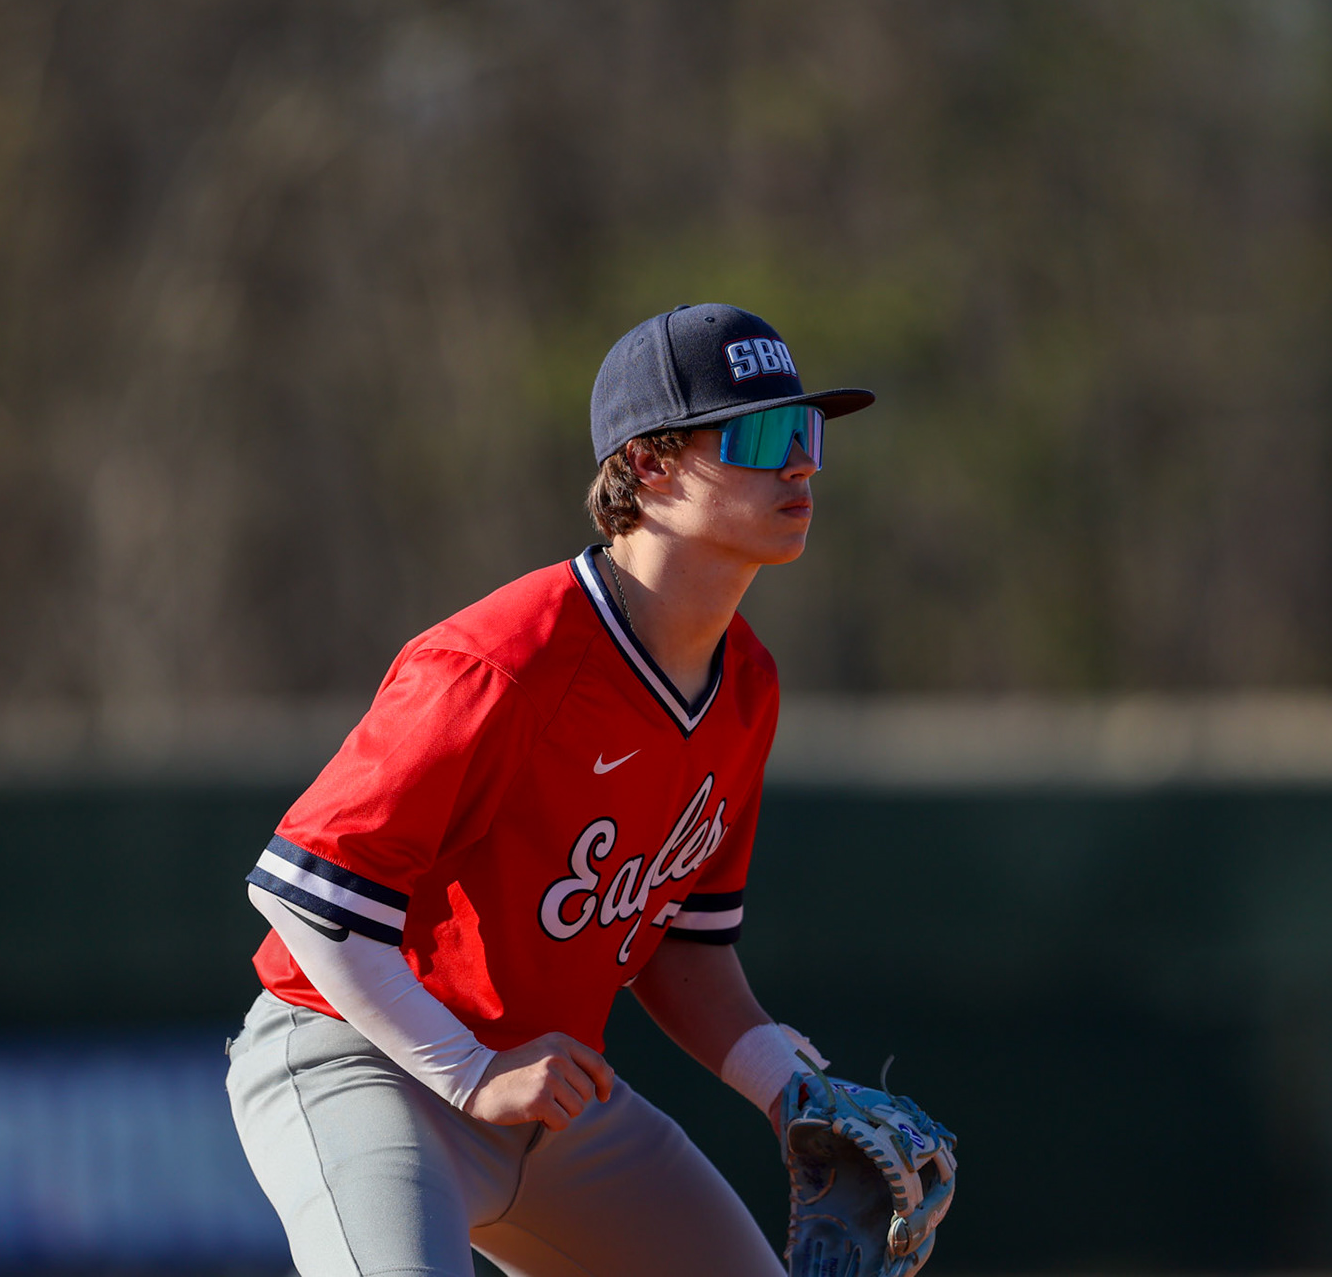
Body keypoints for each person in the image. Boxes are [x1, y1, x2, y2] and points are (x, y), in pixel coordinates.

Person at [226, 303, 879, 1277]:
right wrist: (469, 1069)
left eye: (808, 430)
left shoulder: (746, 683)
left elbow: (686, 949)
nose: (802, 463)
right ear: (650, 464)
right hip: (361, 1061)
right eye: (763, 434)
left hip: (549, 1092)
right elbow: (301, 888)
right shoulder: (502, 661)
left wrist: (789, 1086)